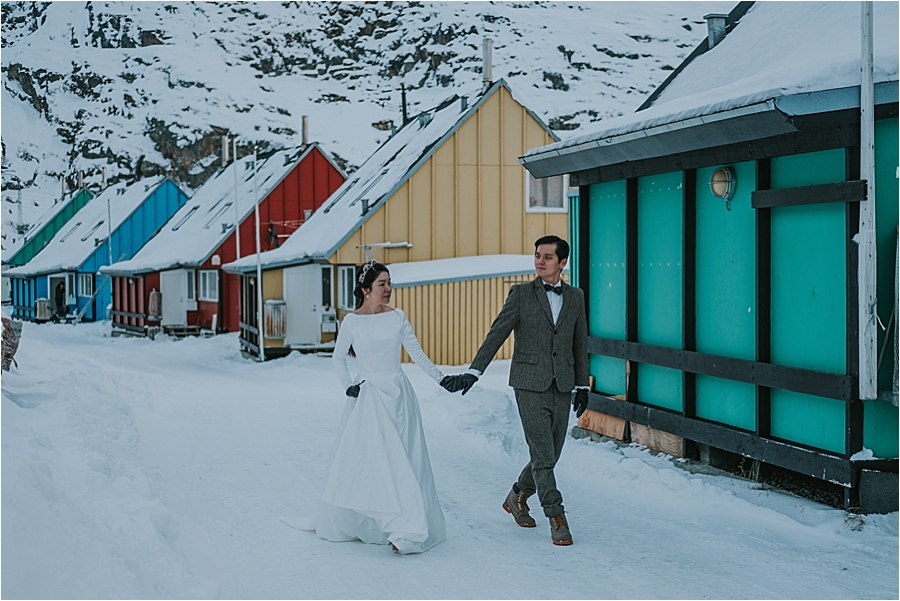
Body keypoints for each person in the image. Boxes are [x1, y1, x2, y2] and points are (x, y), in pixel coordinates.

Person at [442, 235, 589, 546]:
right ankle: (556, 516)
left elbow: (579, 343)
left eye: (548, 257)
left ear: (562, 263)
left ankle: (518, 494)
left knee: (550, 453)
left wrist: (581, 384)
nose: (540, 261)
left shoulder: (575, 297)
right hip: (528, 383)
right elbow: (497, 333)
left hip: (562, 384)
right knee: (544, 455)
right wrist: (474, 371)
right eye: (537, 255)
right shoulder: (521, 294)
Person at [313, 260, 454, 554]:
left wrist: (442, 379)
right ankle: (384, 524)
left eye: (390, 283)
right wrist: (347, 384)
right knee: (376, 464)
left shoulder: (398, 317)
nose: (389, 289)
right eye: (382, 284)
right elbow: (338, 358)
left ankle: (405, 527)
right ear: (366, 290)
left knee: (404, 463)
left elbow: (417, 354)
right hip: (370, 398)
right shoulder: (351, 322)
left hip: (399, 398)